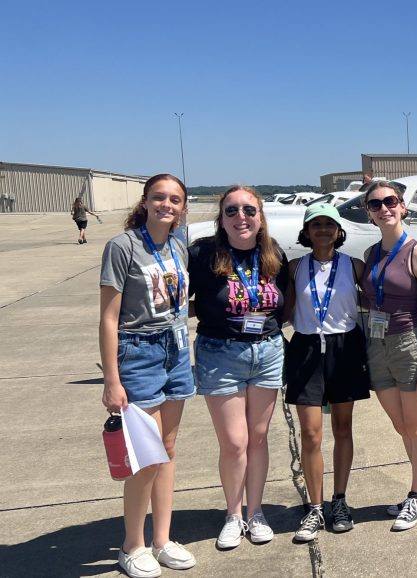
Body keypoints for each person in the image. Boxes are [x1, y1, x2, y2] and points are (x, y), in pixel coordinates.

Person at [99, 174, 196, 577]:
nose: (166, 205)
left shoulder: (179, 245)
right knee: (146, 456)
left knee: (168, 448)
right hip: (137, 350)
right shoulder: (122, 247)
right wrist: (112, 379)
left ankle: (161, 539)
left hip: (176, 348)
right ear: (146, 201)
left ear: (182, 207)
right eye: (159, 197)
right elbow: (108, 318)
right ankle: (132, 544)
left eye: (174, 199)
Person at [188, 185, 288, 549]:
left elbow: (282, 304)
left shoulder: (275, 255)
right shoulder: (202, 255)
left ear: (260, 218)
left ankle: (255, 512)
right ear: (221, 219)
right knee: (234, 442)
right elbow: (178, 299)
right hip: (220, 354)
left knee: (258, 439)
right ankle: (233, 514)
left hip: (267, 352)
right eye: (231, 211)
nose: (240, 217)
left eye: (248, 210)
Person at [283, 203, 370, 540]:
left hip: (344, 349)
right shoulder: (294, 267)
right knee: (311, 434)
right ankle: (316, 508)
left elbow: (378, 300)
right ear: (306, 231)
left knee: (343, 428)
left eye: (328, 224)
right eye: (315, 224)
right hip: (305, 349)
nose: (322, 230)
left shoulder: (355, 266)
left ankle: (340, 500)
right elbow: (285, 309)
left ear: (338, 230)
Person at [360, 180, 417, 531]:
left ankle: (415, 496)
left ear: (403, 206)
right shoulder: (371, 255)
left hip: (408, 344)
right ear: (369, 213)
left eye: (390, 201)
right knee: (401, 425)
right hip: (377, 345)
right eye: (375, 204)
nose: (384, 208)